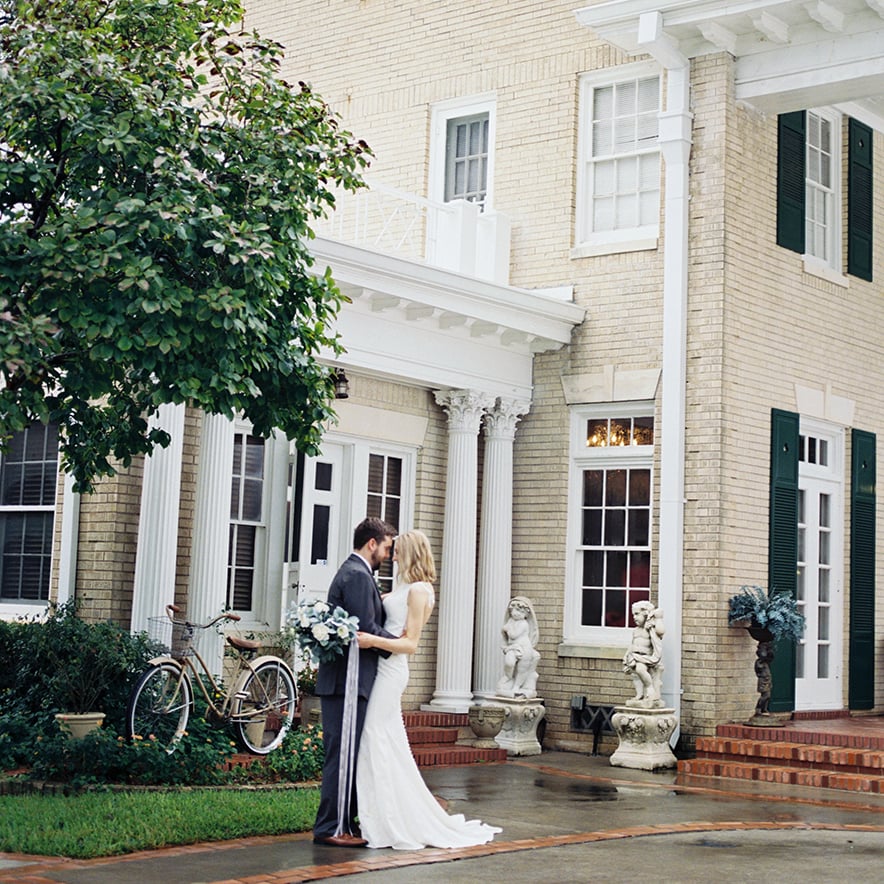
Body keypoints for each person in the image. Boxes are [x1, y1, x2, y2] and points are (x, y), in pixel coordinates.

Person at [355, 530, 502, 850]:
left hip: (392, 670)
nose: (392, 555)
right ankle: (376, 814)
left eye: (397, 551)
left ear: (411, 554)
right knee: (382, 740)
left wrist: (370, 641)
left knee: (376, 738)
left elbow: (410, 644)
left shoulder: (420, 591)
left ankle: (389, 818)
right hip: (380, 667)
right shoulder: (403, 587)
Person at [313, 517, 397, 848]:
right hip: (347, 681)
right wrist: (400, 644)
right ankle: (332, 828)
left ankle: (344, 824)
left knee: (347, 753)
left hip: (348, 680)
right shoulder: (358, 576)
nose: (388, 555)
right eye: (387, 547)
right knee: (342, 755)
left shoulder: (356, 573)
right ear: (372, 543)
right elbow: (367, 629)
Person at [495, 596, 540, 698]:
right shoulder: (511, 621)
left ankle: (517, 686)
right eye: (513, 610)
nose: (515, 613)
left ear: (526, 614)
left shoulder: (524, 624)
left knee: (522, 669)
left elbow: (513, 635)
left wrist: (506, 629)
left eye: (519, 611)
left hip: (525, 648)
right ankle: (508, 677)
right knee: (509, 662)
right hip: (513, 647)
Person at [622, 600, 664, 708]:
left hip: (645, 657)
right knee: (635, 675)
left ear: (645, 614)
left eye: (637, 614)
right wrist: (626, 656)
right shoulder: (635, 630)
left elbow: (661, 632)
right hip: (634, 656)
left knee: (640, 670)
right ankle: (639, 694)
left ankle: (650, 688)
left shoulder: (650, 629)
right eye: (633, 615)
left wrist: (658, 618)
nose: (634, 617)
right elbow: (632, 644)